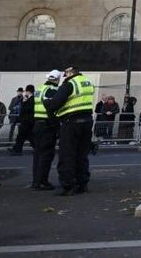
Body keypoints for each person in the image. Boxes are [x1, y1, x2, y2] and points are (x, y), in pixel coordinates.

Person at [45, 66, 96, 196]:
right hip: (87, 121)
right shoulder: (88, 82)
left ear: (70, 73)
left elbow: (55, 103)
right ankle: (82, 184)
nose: (64, 76)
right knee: (82, 155)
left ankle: (68, 186)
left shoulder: (69, 84)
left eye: (66, 74)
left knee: (67, 154)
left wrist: (48, 102)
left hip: (71, 122)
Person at [31, 70, 62, 190]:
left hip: (37, 124)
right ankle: (42, 181)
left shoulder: (40, 88)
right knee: (46, 154)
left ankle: (36, 181)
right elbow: (50, 107)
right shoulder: (52, 90)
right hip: (47, 125)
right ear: (57, 79)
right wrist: (56, 125)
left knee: (38, 154)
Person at [8, 85, 36, 155]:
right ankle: (17, 149)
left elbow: (27, 109)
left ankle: (17, 150)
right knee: (24, 136)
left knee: (23, 136)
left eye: (26, 91)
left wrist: (24, 102)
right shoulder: (28, 98)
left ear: (28, 91)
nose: (25, 92)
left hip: (28, 120)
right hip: (26, 120)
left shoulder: (32, 99)